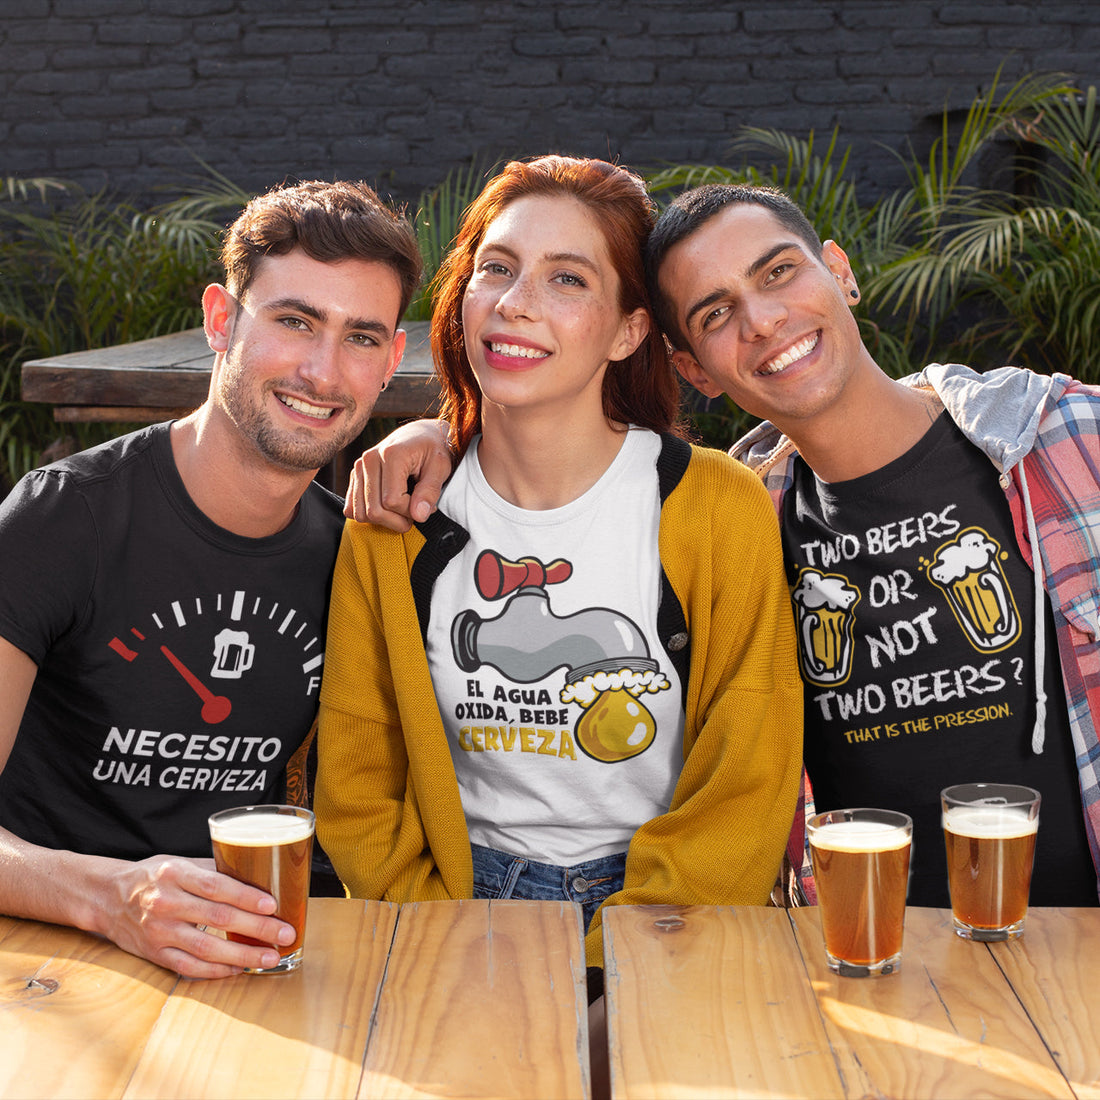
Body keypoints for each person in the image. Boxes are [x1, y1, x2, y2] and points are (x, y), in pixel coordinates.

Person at [356, 181, 1100, 911]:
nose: (764, 320)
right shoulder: (750, 506)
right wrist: (432, 435)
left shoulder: (1067, 440)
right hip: (855, 946)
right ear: (691, 368)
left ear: (839, 271)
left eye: (778, 272)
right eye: (716, 314)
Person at [314, 157, 803, 1001]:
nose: (514, 302)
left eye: (566, 279)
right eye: (495, 269)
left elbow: (748, 776)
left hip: (675, 918)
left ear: (627, 331)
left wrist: (641, 950)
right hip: (456, 913)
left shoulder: (718, 504)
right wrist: (442, 931)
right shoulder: (395, 515)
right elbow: (357, 779)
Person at [0, 178, 423, 978]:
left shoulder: (354, 555)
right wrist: (113, 896)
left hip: (248, 962)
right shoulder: (66, 519)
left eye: (361, 338)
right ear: (221, 319)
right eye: (295, 322)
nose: (323, 373)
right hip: (48, 960)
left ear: (391, 360)